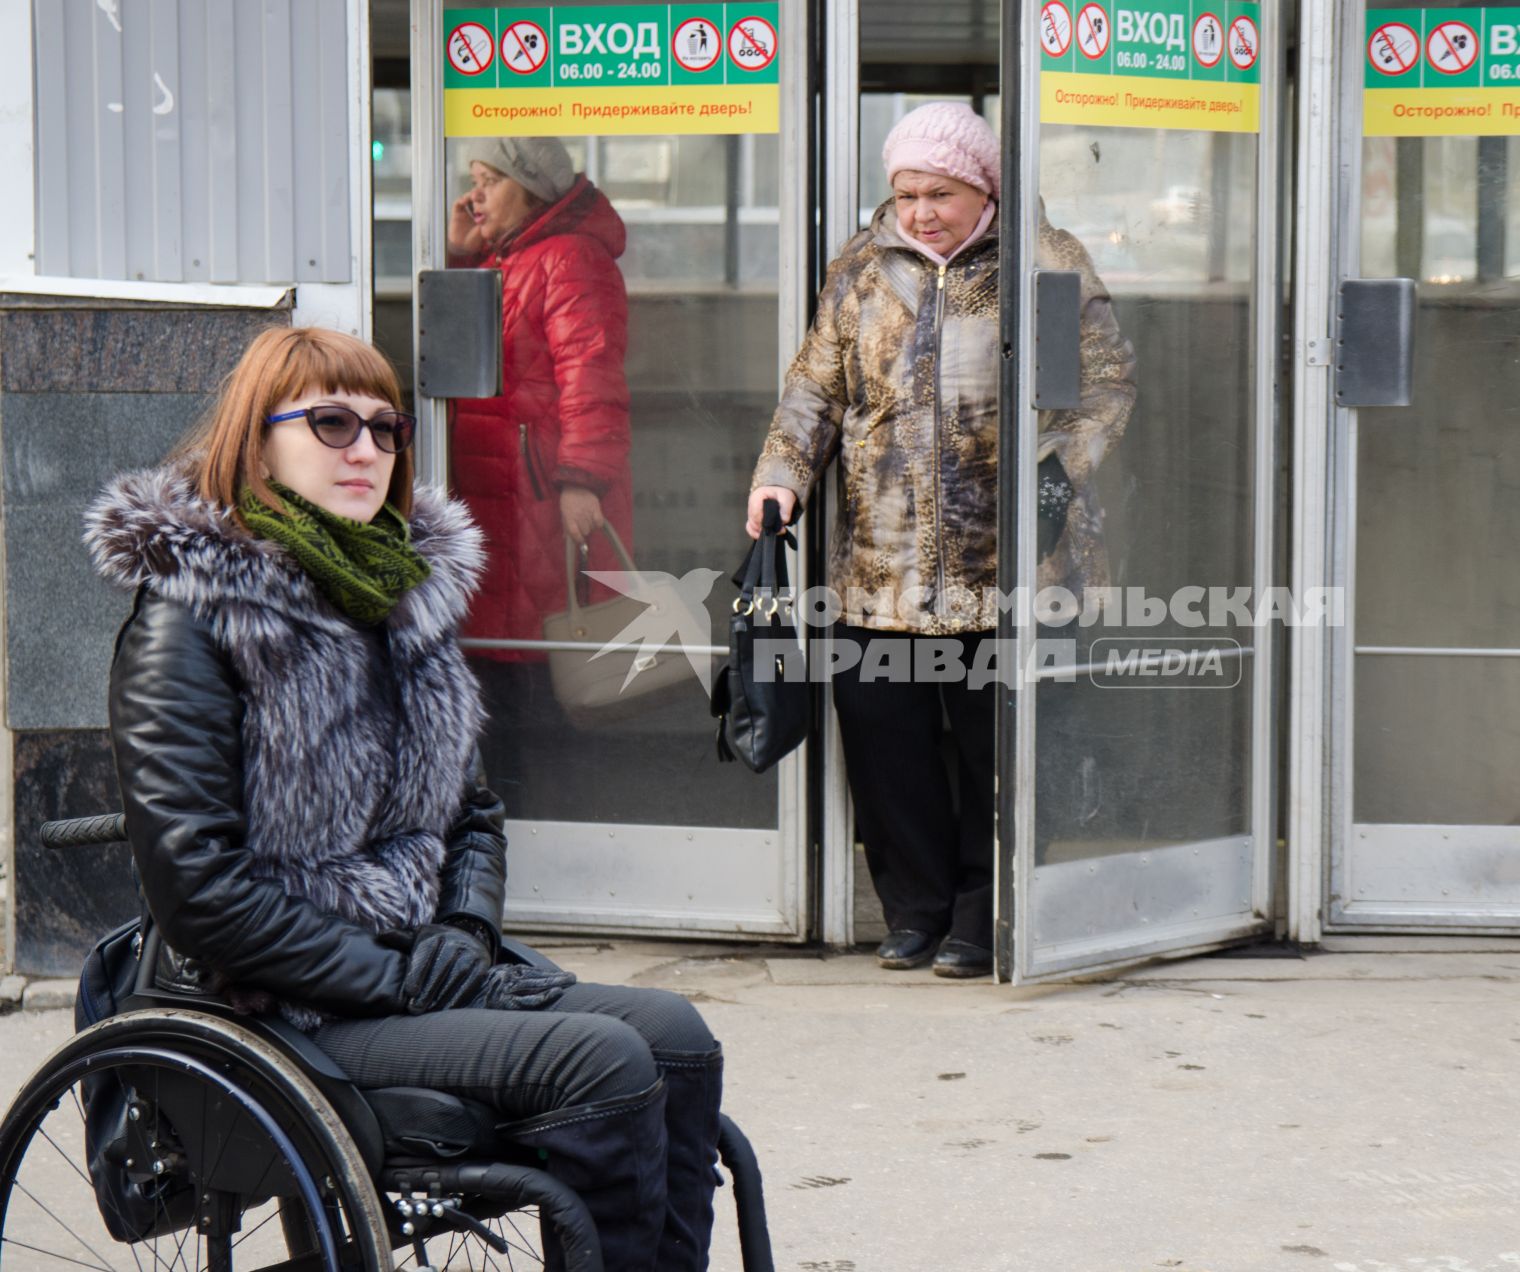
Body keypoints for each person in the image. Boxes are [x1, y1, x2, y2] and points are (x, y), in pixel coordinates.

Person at [85, 326, 722, 1270]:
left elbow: (470, 814)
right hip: (280, 1001)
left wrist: (462, 935)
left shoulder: (394, 599)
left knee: (678, 1038)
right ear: (257, 441)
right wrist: (393, 975)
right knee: (605, 1062)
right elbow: (199, 889)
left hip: (416, 969)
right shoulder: (192, 621)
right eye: (332, 423)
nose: (366, 451)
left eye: (386, 431)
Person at [743, 103, 1136, 978]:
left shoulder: (1044, 263)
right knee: (887, 741)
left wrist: (1059, 468)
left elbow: (1105, 384)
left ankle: (981, 915)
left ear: (983, 187)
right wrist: (782, 473)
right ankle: (913, 911)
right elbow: (817, 385)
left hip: (1009, 561)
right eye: (907, 192)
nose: (921, 211)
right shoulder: (862, 267)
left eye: (941, 193)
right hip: (880, 563)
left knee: (993, 745)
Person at [448, 137, 636, 792]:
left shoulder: (569, 259)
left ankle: (548, 827)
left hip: (542, 495)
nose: (473, 195)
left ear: (528, 189)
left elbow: (592, 376)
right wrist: (460, 257)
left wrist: (581, 482)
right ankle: (514, 822)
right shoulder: (512, 257)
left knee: (538, 666)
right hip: (500, 492)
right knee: (503, 666)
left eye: (486, 180)